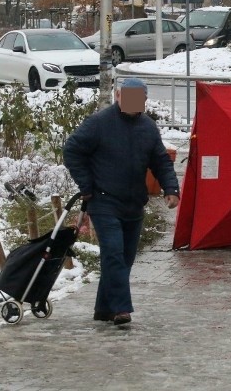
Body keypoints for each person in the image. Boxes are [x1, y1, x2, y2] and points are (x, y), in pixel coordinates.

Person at [63, 78, 180, 326]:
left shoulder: (148, 127)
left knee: (124, 259)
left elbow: (160, 160)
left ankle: (104, 308)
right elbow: (72, 149)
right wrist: (86, 186)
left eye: (139, 98)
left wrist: (171, 188)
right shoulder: (99, 123)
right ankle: (121, 309)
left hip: (134, 203)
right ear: (117, 95)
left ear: (145, 100)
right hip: (104, 200)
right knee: (114, 254)